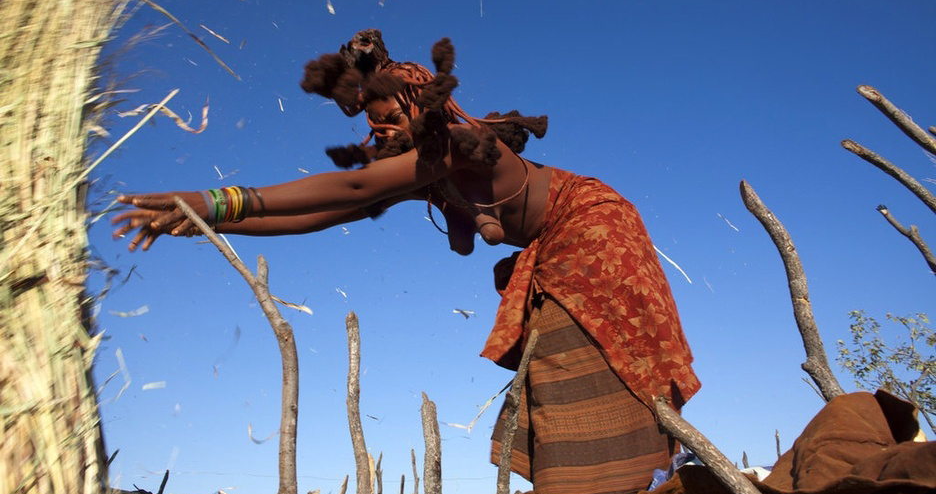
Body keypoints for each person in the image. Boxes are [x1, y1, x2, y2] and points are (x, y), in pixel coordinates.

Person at [112, 29, 700, 494]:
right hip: (566, 243)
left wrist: (216, 198)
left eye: (383, 107)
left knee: (575, 358)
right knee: (552, 375)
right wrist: (207, 220)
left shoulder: (461, 146)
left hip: (595, 234)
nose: (374, 122)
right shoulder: (424, 171)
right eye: (365, 112)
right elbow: (328, 213)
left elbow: (349, 190)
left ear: (418, 99)